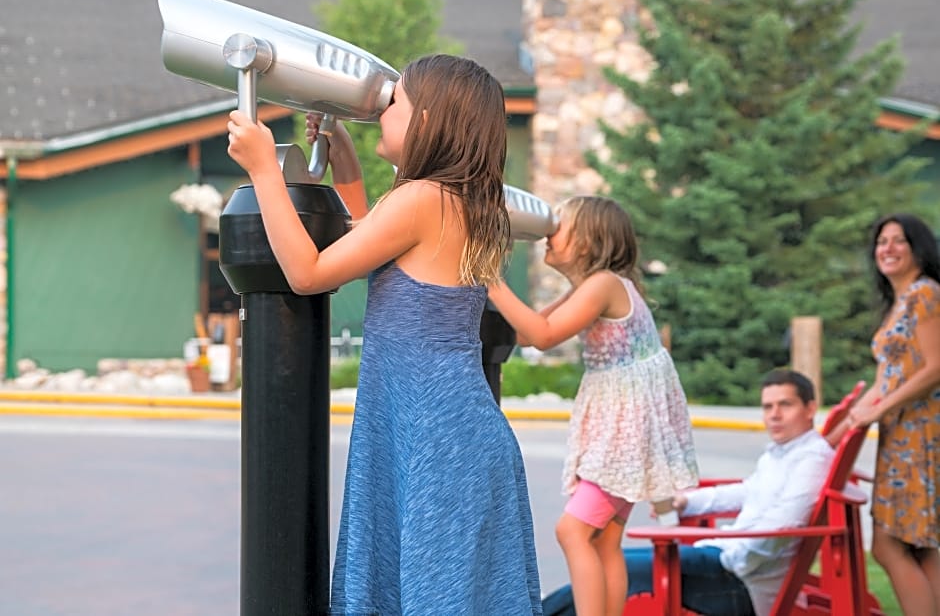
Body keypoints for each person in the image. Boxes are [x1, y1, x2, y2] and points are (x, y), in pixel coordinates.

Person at [227, 54, 543, 615]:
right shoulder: (465, 201)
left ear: (424, 125)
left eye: (394, 102)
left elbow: (309, 273)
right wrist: (344, 154)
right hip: (451, 431)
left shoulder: (422, 200)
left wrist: (262, 171)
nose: (381, 112)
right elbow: (371, 235)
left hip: (432, 438)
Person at [486, 195, 699, 616]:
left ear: (588, 240)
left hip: (624, 433)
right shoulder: (597, 286)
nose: (550, 231)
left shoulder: (603, 284)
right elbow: (528, 335)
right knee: (602, 541)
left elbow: (544, 336)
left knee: (573, 531)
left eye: (559, 224)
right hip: (625, 429)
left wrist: (489, 277)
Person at [541, 369, 835, 616]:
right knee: (609, 562)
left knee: (620, 567)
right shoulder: (784, 453)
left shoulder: (811, 459)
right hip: (723, 557)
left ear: (810, 408)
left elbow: (783, 528)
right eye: (768, 407)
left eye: (785, 405)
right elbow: (747, 492)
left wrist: (730, 553)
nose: (775, 415)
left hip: (739, 580)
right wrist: (687, 503)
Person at [826, 213, 940, 615]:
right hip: (901, 437)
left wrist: (878, 413)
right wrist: (836, 433)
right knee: (921, 548)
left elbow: (935, 367)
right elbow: (884, 382)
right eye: (881, 241)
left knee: (891, 545)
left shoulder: (925, 294)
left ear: (919, 249)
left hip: (923, 435)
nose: (887, 249)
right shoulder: (899, 303)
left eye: (898, 241)